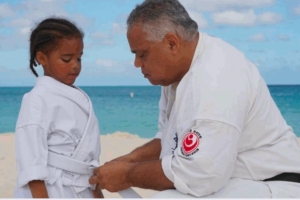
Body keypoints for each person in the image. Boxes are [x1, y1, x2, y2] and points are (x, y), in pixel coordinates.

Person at [89, 0, 300, 198]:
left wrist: (127, 174)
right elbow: (167, 139)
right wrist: (126, 161)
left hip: (274, 185)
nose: (136, 63)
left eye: (142, 54)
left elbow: (200, 175)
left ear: (172, 43)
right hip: (234, 181)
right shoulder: (176, 75)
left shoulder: (217, 76)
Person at [14, 18, 103, 198]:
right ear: (42, 58)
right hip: (52, 189)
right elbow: (32, 166)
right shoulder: (36, 99)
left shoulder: (76, 96)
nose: (75, 65)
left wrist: (97, 193)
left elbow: (89, 158)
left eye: (79, 58)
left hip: (83, 187)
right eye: (66, 59)